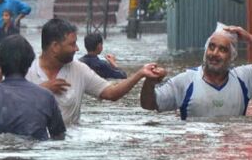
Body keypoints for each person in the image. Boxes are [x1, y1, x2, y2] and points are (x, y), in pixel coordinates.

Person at [25, 18, 164, 126]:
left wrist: (140, 74)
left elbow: (111, 93)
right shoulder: (26, 70)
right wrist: (40, 90)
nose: (77, 49)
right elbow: (6, 100)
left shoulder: (79, 69)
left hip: (67, 145)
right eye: (72, 44)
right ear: (55, 47)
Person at [140, 25, 252, 119]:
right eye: (211, 47)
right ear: (205, 50)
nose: (215, 53)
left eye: (223, 50)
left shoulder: (244, 79)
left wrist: (251, 39)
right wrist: (149, 82)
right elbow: (149, 104)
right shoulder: (186, 81)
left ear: (232, 57)